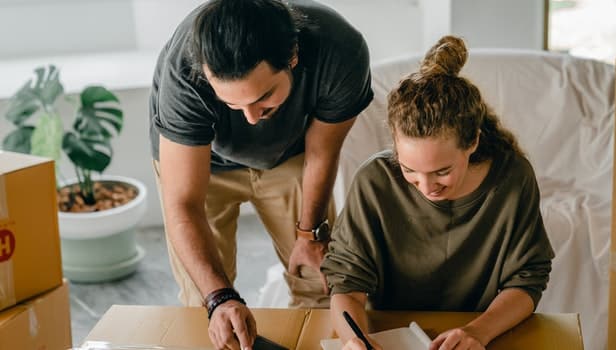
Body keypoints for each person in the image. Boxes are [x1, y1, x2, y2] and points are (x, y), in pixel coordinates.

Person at [148, 0, 373, 349]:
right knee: (205, 302)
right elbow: (184, 203)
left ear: (293, 57)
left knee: (319, 282)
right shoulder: (183, 72)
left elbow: (322, 150)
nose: (250, 118)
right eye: (233, 105)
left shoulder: (340, 50)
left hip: (291, 155)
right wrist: (220, 298)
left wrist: (308, 233)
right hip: (201, 162)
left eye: (264, 97)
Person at [321, 35, 554, 350]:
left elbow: (528, 279)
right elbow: (346, 284)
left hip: (481, 334)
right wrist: (355, 341)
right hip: (388, 334)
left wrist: (477, 332)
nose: (427, 188)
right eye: (409, 171)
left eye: (442, 172)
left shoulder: (513, 178)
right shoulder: (374, 181)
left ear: (472, 142)